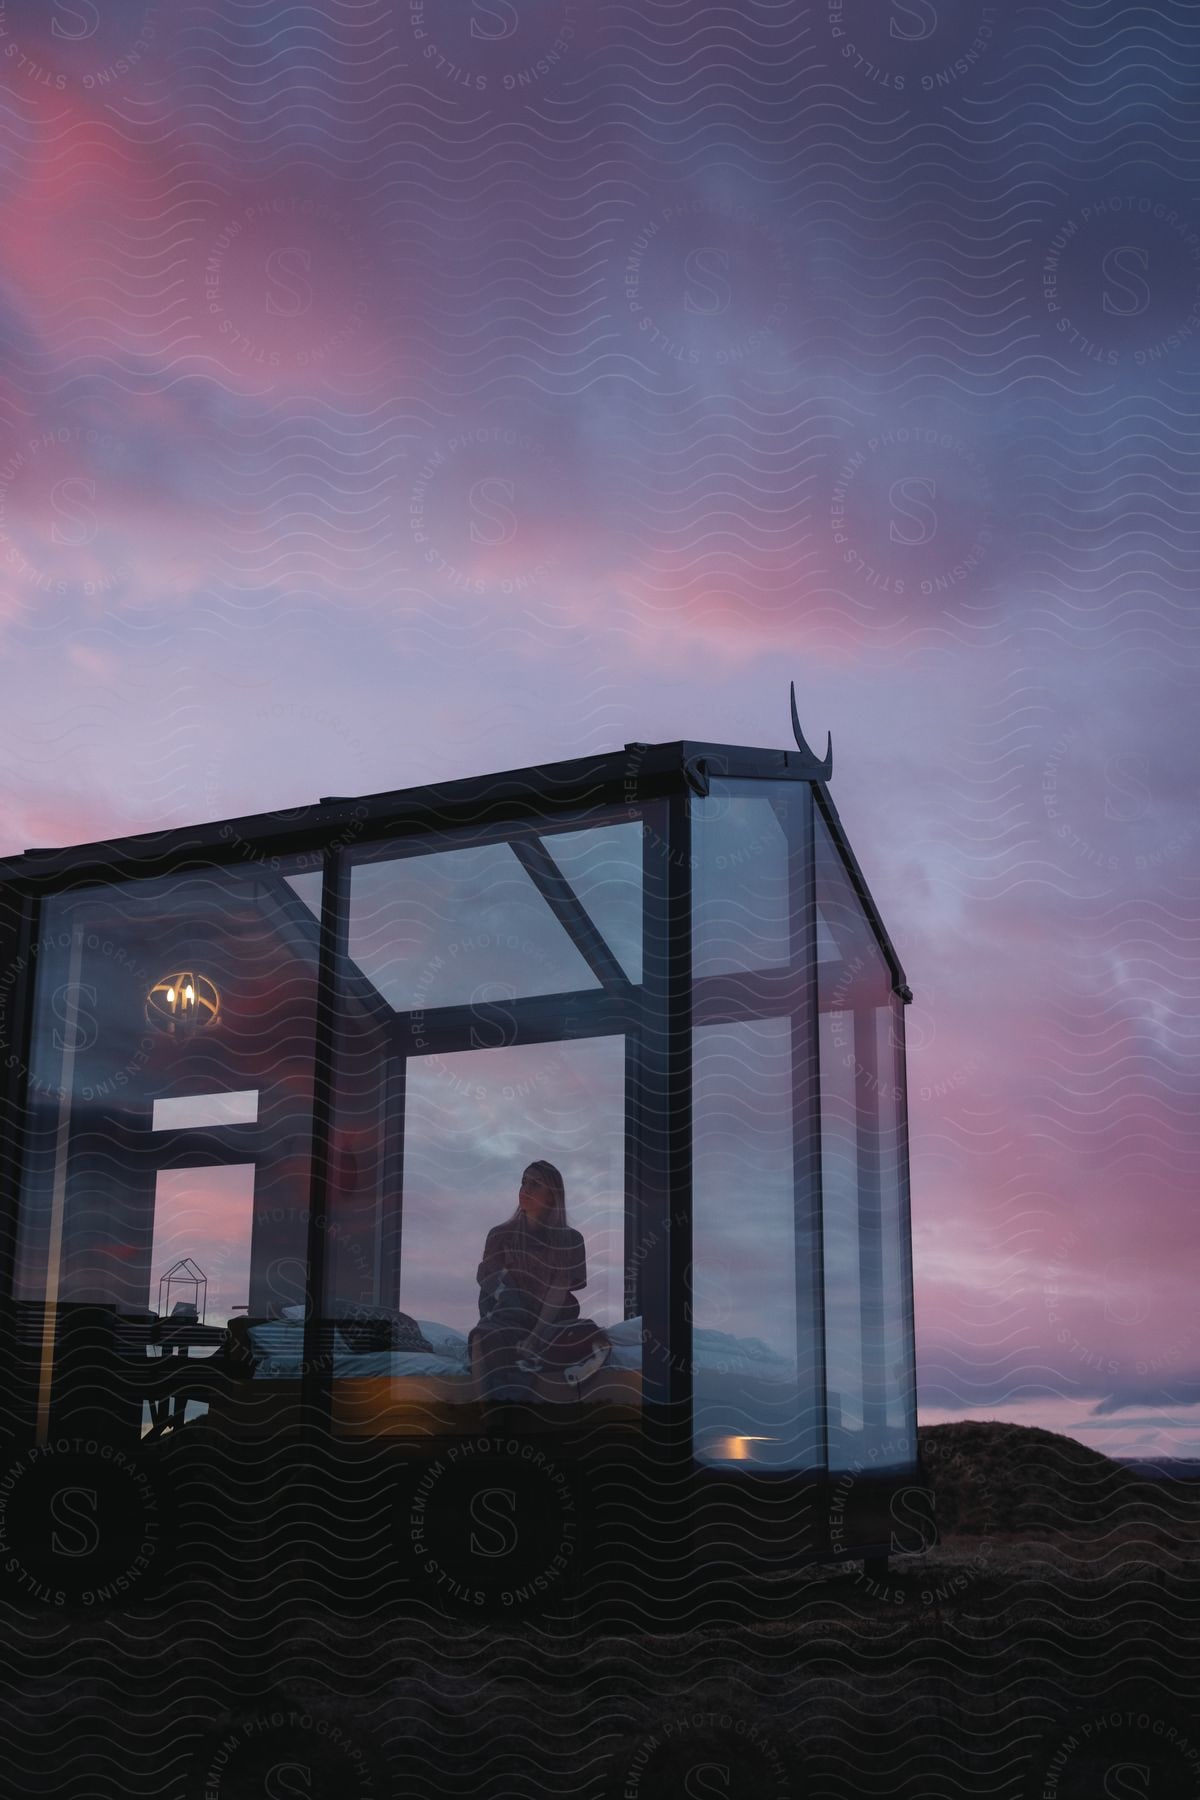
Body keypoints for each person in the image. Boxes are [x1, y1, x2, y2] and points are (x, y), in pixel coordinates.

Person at [469, 1161, 587, 1399]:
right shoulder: (500, 1235)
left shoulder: (570, 1239)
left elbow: (558, 1290)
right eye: (523, 1182)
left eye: (535, 1184)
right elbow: (495, 1284)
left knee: (588, 1335)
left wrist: (535, 1336)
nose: (525, 1189)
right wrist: (518, 1325)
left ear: (552, 1196)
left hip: (550, 1321)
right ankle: (493, 1424)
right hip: (506, 1316)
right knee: (484, 1339)